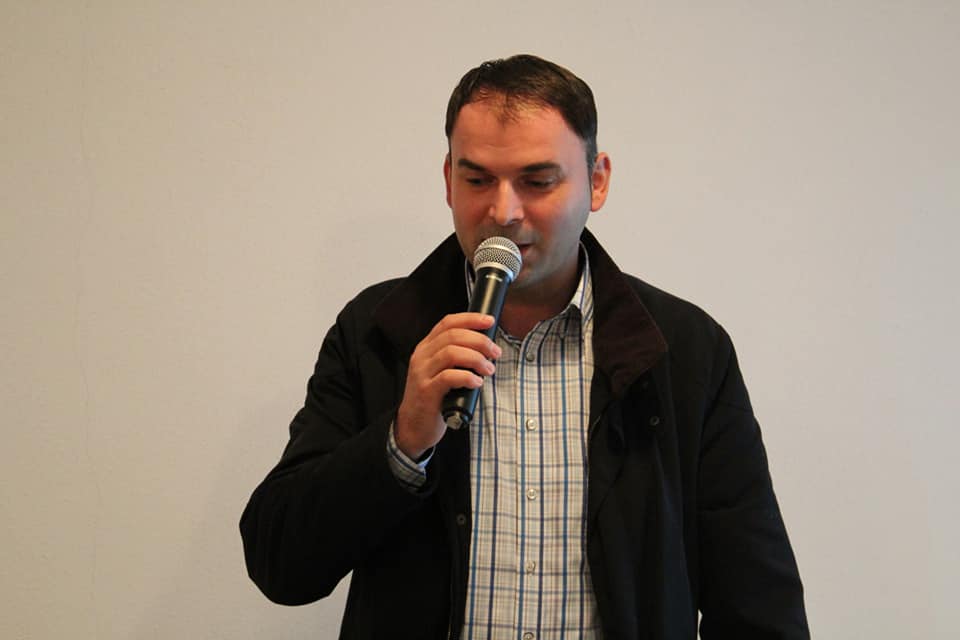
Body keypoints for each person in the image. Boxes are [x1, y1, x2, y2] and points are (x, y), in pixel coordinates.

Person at [240, 54, 809, 639]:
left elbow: (758, 606)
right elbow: (281, 565)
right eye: (477, 179)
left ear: (597, 180)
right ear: (448, 179)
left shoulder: (685, 349)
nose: (503, 213)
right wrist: (401, 441)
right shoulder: (377, 332)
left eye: (538, 182)